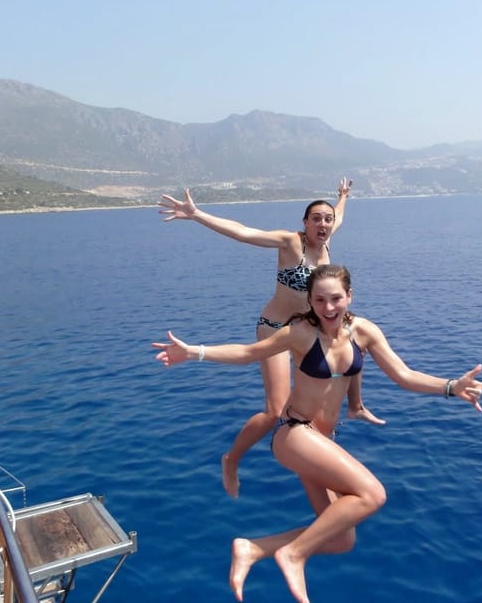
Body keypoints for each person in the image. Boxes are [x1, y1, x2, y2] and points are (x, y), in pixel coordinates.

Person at [153, 264, 482, 603]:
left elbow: (404, 375)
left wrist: (450, 386)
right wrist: (194, 352)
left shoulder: (364, 331)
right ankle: (294, 554)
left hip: (320, 442)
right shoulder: (300, 333)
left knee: (340, 539)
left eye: (335, 298)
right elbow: (248, 353)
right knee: (373, 494)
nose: (328, 307)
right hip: (293, 433)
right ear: (310, 301)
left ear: (349, 296)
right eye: (319, 300)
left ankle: (254, 549)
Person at [159, 180, 383, 499]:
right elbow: (243, 232)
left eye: (327, 219)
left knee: (327, 389)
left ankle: (346, 420)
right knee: (276, 411)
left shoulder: (327, 239)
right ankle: (231, 459)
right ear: (304, 223)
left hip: (308, 333)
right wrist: (197, 215)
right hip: (276, 328)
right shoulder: (290, 242)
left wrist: (343, 197)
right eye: (316, 219)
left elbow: (340, 216)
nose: (323, 223)